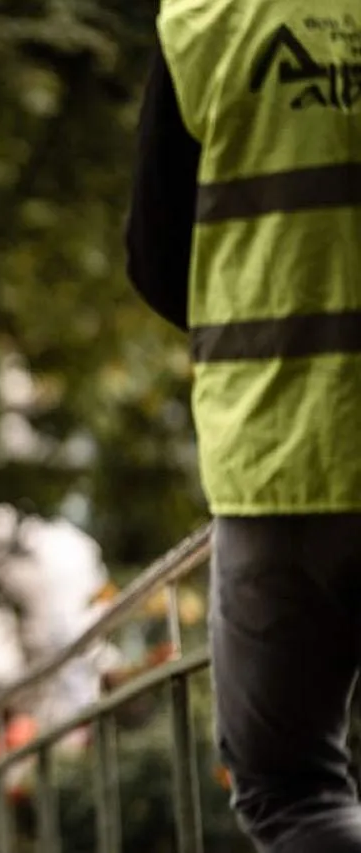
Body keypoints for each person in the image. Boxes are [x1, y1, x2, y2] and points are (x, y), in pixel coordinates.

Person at [126, 2, 361, 850]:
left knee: (293, 790)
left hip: (277, 456)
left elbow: (156, 255)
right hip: (274, 463)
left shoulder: (205, 22)